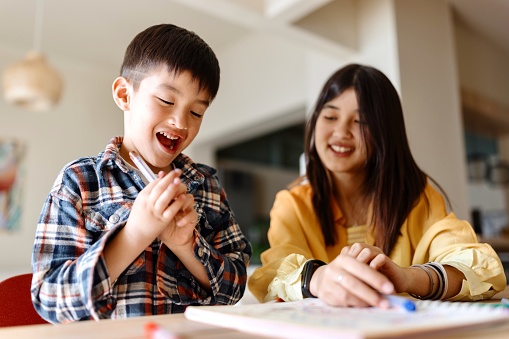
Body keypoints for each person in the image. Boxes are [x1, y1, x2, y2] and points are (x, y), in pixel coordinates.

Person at [31, 23, 252, 323]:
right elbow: (49, 299)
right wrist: (134, 234)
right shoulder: (80, 182)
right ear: (125, 95)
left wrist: (186, 246)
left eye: (196, 112)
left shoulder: (207, 186)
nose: (181, 122)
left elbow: (235, 288)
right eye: (166, 100)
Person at [248, 63, 506, 307]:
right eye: (330, 116)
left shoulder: (416, 197)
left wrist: (407, 278)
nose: (341, 132)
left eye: (360, 121)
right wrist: (319, 279)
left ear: (385, 132)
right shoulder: (293, 203)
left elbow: (481, 267)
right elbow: (274, 273)